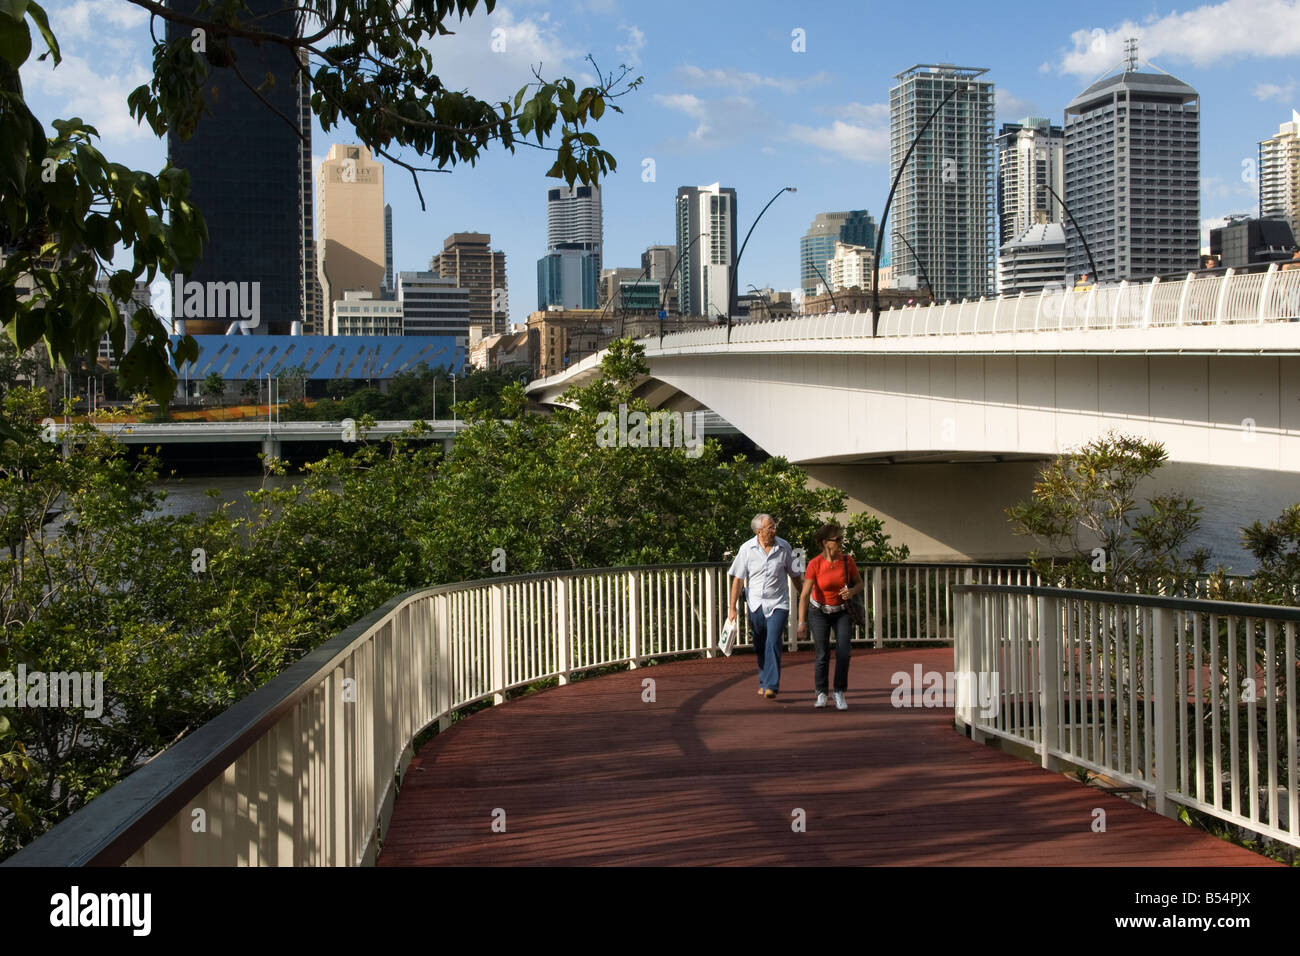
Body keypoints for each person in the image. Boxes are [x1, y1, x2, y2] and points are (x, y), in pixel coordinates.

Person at [727, 514, 802, 699]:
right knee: (760, 644)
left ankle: (771, 685)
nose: (774, 530)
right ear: (759, 531)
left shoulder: (785, 547)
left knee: (773, 641)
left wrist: (806, 596)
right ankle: (764, 679)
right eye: (770, 528)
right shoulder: (747, 549)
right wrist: (732, 608)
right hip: (755, 604)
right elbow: (738, 580)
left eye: (774, 526)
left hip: (778, 603)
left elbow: (795, 575)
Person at [797, 523, 862, 710]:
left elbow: (860, 584)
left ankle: (839, 692)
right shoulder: (815, 564)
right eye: (838, 539)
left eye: (842, 539)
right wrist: (801, 623)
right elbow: (804, 595)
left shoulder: (847, 561)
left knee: (844, 652)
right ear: (826, 542)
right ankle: (822, 693)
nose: (841, 542)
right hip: (819, 612)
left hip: (841, 611)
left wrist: (851, 591)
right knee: (822, 653)